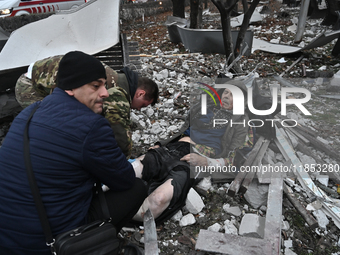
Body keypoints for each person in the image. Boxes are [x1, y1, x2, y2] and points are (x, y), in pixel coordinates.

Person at [0, 51, 148, 254]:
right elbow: (124, 180)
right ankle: (95, 243)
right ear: (71, 88)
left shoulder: (29, 111)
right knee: (136, 189)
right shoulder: (92, 126)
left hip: (6, 237)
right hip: (49, 242)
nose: (105, 93)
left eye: (104, 85)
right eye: (96, 86)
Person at [131, 79, 255, 224]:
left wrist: (205, 162)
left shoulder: (241, 122)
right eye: (226, 92)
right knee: (130, 169)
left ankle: (119, 222)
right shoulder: (205, 109)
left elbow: (234, 158)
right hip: (175, 149)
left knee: (158, 200)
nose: (226, 96)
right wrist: (160, 144)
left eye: (232, 95)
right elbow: (183, 131)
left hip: (196, 160)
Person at [15, 54, 159, 158]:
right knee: (52, 129)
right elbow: (118, 129)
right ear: (140, 94)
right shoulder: (116, 89)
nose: (139, 109)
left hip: (42, 79)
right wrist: (124, 158)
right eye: (143, 105)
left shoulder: (115, 79)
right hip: (30, 86)